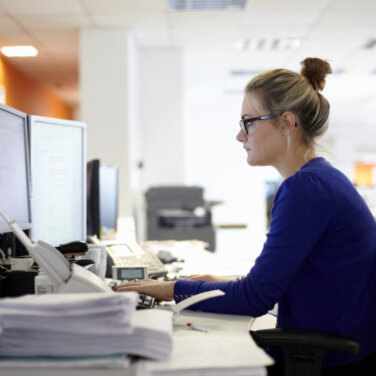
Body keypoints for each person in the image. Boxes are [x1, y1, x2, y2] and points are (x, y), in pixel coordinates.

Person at [115, 57, 376, 374]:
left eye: (247, 122)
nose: (240, 135)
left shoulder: (305, 189)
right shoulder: (320, 179)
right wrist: (221, 283)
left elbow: (254, 299)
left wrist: (172, 289)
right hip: (341, 346)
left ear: (287, 122)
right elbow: (274, 283)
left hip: (328, 359)